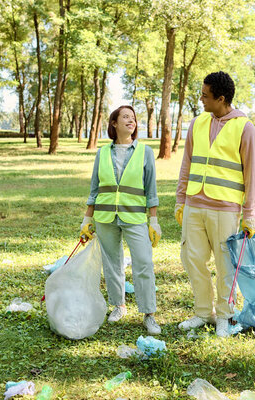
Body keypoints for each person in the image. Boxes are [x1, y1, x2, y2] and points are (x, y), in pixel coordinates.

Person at [175, 71, 255, 337]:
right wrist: (180, 200)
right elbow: (186, 164)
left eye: (205, 96)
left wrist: (250, 214)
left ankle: (225, 315)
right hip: (194, 205)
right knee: (192, 259)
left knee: (225, 265)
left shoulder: (244, 127)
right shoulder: (197, 123)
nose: (201, 100)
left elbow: (251, 174)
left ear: (221, 99)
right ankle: (203, 312)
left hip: (225, 208)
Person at [80, 105, 162, 335]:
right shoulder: (102, 153)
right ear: (114, 123)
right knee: (112, 263)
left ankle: (149, 314)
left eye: (133, 118)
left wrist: (153, 220)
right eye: (125, 117)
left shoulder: (145, 152)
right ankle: (119, 306)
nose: (131, 120)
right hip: (105, 216)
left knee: (144, 262)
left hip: (134, 216)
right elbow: (95, 188)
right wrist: (87, 218)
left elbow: (151, 189)